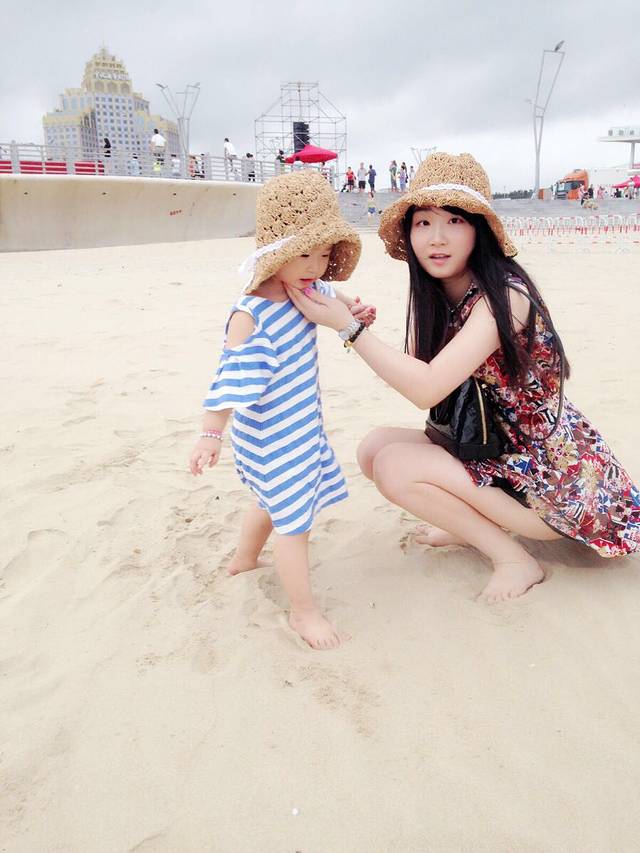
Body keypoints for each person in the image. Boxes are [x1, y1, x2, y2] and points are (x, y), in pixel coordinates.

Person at [286, 152, 640, 603]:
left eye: (455, 221)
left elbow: (426, 388)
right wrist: (356, 318)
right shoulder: (440, 294)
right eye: (423, 223)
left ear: (479, 230)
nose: (437, 238)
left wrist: (349, 330)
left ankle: (515, 560)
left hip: (551, 479)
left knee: (395, 467)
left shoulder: (505, 298)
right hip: (495, 450)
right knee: (374, 448)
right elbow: (423, 376)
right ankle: (471, 527)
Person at [189, 172, 377, 649]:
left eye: (325, 254)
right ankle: (303, 612)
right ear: (276, 253)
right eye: (305, 253)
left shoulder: (310, 288)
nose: (317, 265)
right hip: (270, 437)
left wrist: (357, 313)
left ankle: (244, 560)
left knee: (269, 503)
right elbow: (228, 381)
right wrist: (211, 435)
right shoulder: (251, 314)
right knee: (294, 524)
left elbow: (342, 302)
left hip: (301, 427)